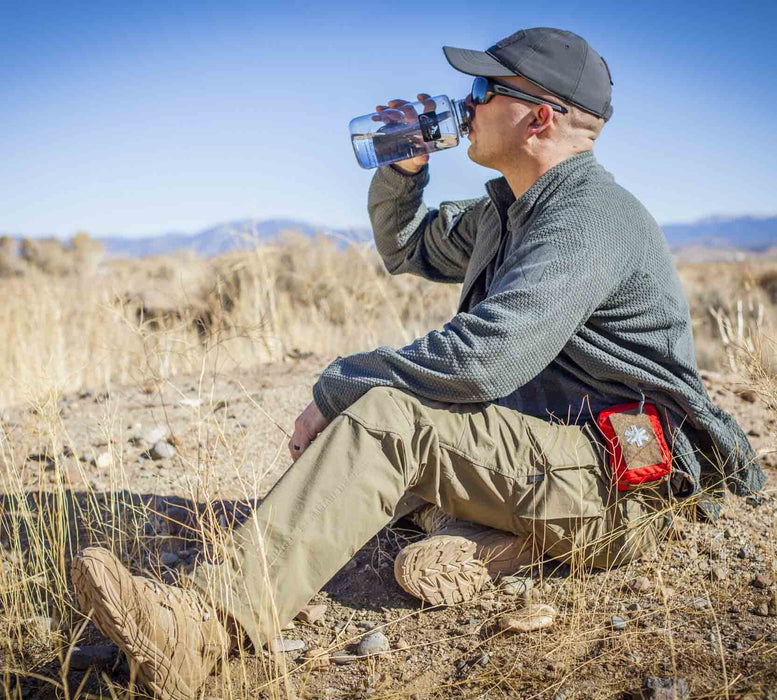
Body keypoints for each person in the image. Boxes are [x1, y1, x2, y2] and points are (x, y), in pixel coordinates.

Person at [71, 27, 764, 700]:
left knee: (384, 424)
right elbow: (408, 246)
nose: (465, 103)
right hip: (552, 452)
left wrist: (338, 389)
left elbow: (482, 360)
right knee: (362, 473)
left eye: (483, 90)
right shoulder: (510, 209)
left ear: (538, 117)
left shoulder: (587, 216)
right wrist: (405, 169)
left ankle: (204, 627)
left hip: (627, 482)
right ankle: (490, 543)